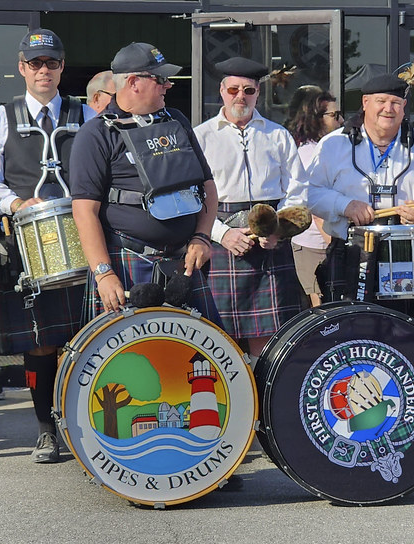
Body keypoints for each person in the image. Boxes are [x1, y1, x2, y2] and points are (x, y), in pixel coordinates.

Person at [0, 29, 97, 462]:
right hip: (26, 241)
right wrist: (17, 201)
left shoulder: (86, 114)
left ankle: (88, 429)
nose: (44, 71)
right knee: (40, 342)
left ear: (62, 67)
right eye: (35, 63)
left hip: (83, 237)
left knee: (86, 338)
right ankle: (47, 429)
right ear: (22, 67)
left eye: (52, 63)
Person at [70, 41, 220, 323]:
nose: (168, 85)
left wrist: (201, 236)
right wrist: (104, 273)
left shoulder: (176, 120)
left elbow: (207, 186)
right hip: (127, 264)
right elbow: (84, 211)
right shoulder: (96, 134)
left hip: (182, 266)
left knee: (195, 359)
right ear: (134, 82)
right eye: (161, 79)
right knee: (126, 363)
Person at [308, 74, 414, 339]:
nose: (388, 109)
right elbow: (309, 193)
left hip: (409, 257)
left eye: (396, 102)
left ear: (404, 108)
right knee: (351, 339)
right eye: (381, 101)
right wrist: (345, 205)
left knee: (413, 341)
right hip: (350, 253)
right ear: (365, 103)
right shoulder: (334, 145)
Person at [194, 57, 305, 358]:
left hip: (271, 240)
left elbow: (298, 189)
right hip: (222, 241)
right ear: (221, 91)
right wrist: (220, 235)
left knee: (269, 342)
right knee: (218, 338)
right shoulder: (201, 137)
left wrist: (279, 230)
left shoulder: (277, 135)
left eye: (248, 90)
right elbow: (192, 197)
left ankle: (265, 400)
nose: (239, 97)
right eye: (233, 90)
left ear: (258, 93)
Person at [285, 85, 341, 308]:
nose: (341, 120)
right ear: (315, 118)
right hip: (315, 246)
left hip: (325, 243)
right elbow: (315, 209)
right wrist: (337, 246)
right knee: (322, 310)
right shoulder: (309, 154)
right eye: (333, 115)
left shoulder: (325, 150)